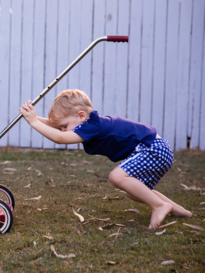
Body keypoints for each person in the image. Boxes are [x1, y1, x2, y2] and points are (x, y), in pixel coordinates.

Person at [19, 89, 192, 229]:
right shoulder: (88, 122)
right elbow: (57, 127)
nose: (63, 130)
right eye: (61, 127)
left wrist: (34, 122)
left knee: (116, 177)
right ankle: (178, 210)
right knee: (136, 191)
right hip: (155, 148)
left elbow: (60, 138)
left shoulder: (91, 126)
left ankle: (159, 206)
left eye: (65, 126)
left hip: (152, 149)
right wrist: (31, 117)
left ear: (81, 116)